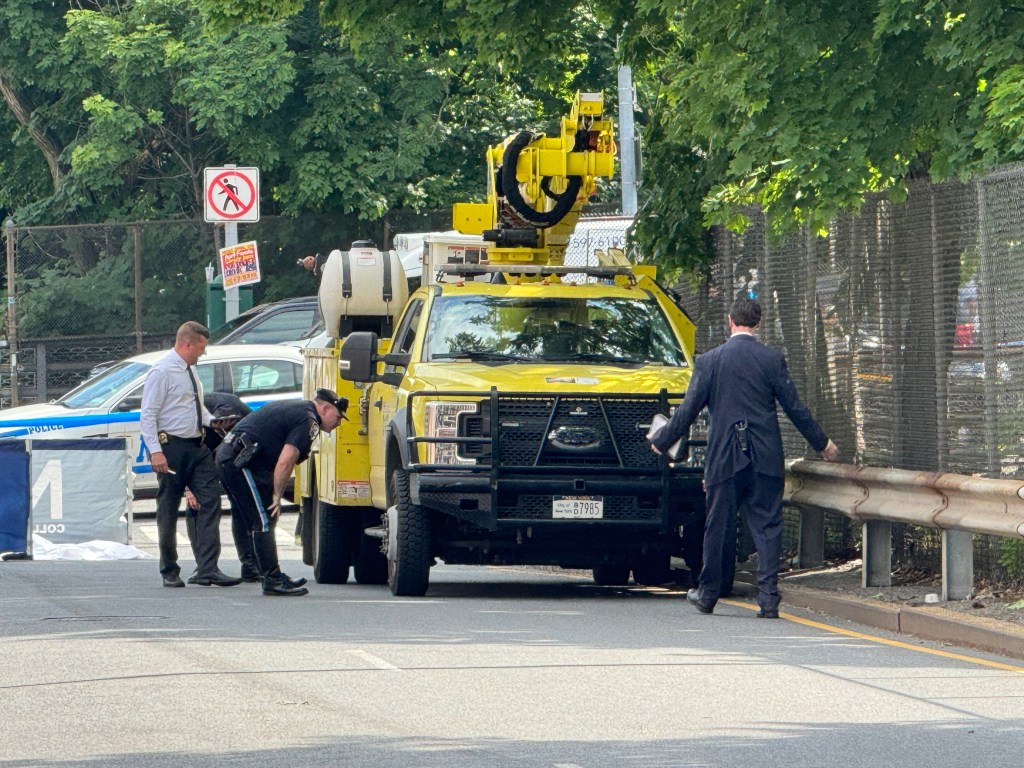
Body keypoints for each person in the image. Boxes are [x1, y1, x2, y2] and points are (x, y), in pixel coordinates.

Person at [650, 298, 839, 618]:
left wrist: (662, 439)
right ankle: (767, 600)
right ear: (758, 323)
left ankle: (707, 594)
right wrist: (823, 443)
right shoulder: (771, 359)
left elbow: (688, 410)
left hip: (724, 457)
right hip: (765, 456)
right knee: (767, 526)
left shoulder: (710, 361)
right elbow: (795, 407)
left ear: (730, 321)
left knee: (717, 527)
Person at [215, 388, 348, 596]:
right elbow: (286, 461)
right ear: (324, 408)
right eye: (338, 417)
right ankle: (272, 578)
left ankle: (256, 569)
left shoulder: (300, 410)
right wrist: (277, 496)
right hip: (240, 461)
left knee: (252, 517)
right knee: (264, 518)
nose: (338, 423)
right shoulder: (309, 421)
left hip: (236, 457)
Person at [140, 321, 241, 588]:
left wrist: (211, 422)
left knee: (210, 501)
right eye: (201, 347)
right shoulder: (162, 371)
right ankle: (169, 568)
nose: (203, 353)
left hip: (197, 446)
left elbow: (193, 406)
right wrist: (155, 452)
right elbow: (148, 415)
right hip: (171, 447)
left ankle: (208, 567)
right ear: (187, 344)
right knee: (169, 508)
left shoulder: (189, 370)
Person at [184, 392, 259, 583]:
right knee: (199, 505)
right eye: (222, 429)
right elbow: (185, 457)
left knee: (243, 507)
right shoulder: (197, 420)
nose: (225, 433)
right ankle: (204, 566)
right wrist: (188, 490)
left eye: (230, 429)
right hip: (201, 455)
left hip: (236, 456)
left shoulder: (248, 417)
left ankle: (250, 566)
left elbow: (261, 447)